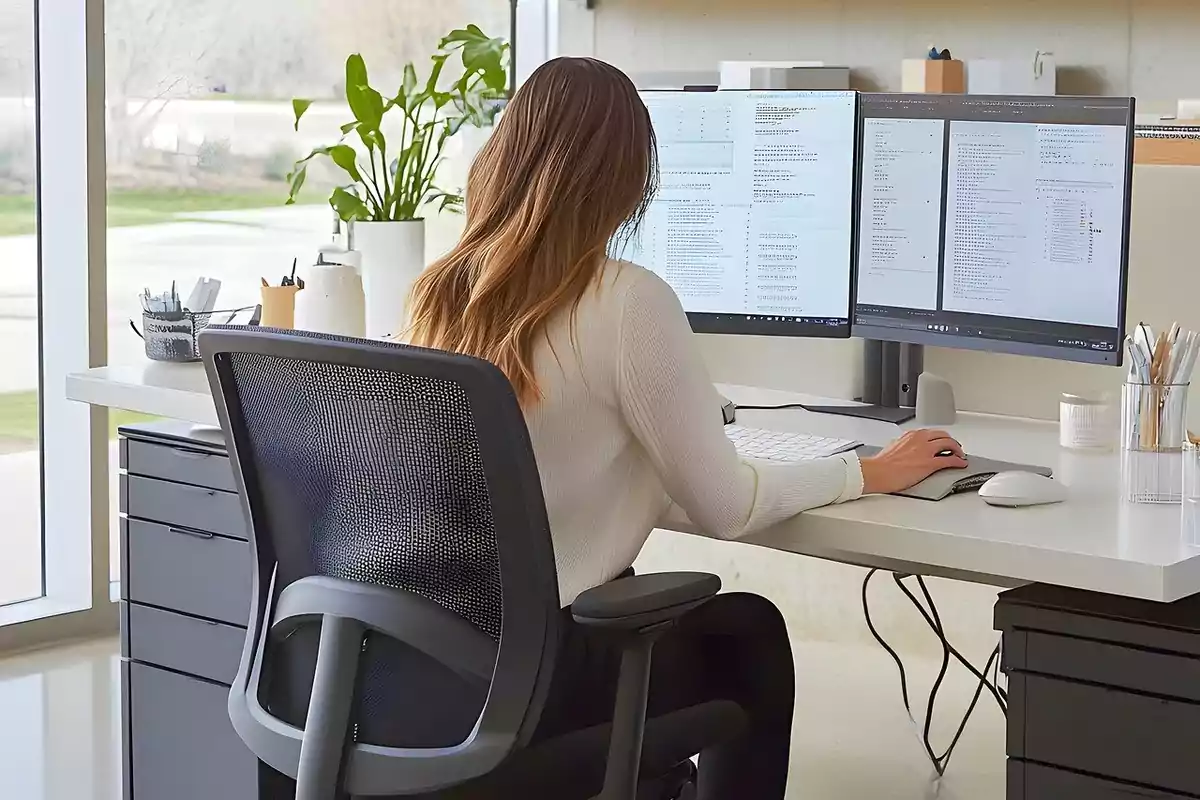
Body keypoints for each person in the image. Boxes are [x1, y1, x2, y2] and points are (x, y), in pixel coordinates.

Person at [406, 57, 966, 799]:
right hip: (538, 684)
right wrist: (863, 470)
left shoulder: (436, 295)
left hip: (422, 675)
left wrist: (654, 464)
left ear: (503, 157)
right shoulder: (629, 302)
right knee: (748, 636)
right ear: (630, 181)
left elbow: (545, 475)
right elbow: (725, 506)